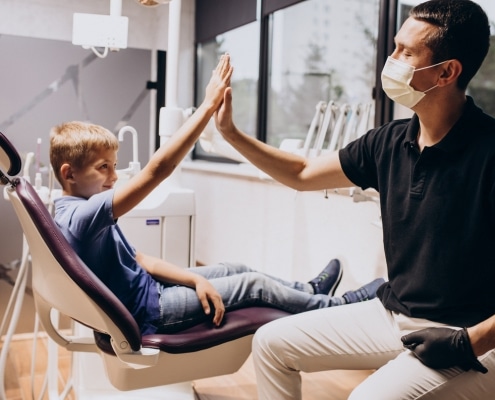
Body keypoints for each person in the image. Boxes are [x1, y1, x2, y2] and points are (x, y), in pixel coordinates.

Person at [214, 1, 495, 398]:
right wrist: (231, 134)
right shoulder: (389, 141)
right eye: (394, 46)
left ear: (447, 72)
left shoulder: (489, 153)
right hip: (395, 313)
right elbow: (301, 173)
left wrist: (469, 342)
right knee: (272, 343)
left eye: (406, 52)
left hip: (475, 335)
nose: (391, 60)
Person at [49, 54, 384, 337]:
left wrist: (194, 278)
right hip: (152, 310)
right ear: (69, 174)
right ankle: (338, 307)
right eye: (102, 167)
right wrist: (208, 105)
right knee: (254, 286)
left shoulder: (78, 209)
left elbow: (139, 260)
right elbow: (157, 169)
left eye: (114, 165)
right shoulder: (81, 217)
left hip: (152, 291)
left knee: (234, 267)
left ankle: (307, 291)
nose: (114, 176)